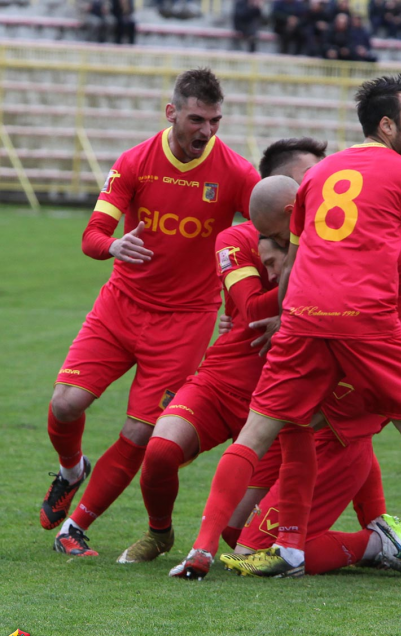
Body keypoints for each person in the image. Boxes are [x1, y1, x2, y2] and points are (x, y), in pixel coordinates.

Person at [170, 74, 401, 590]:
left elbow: (293, 267)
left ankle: (204, 549)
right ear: (387, 125)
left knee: (267, 428)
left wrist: (284, 316)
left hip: (309, 318)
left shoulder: (318, 176)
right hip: (371, 323)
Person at [40, 68, 260, 557]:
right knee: (65, 404)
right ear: (171, 113)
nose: (206, 131)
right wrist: (114, 245)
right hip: (121, 305)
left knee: (140, 432)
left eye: (215, 121)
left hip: (186, 321)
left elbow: (267, 235)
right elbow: (92, 236)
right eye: (197, 119)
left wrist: (239, 302)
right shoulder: (135, 161)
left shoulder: (237, 172)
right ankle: (72, 471)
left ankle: (74, 528)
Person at [116, 138, 327, 563]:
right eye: (308, 177)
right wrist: (299, 300)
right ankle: (159, 532)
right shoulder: (236, 238)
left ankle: (375, 541)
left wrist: (295, 311)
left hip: (281, 396)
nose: (317, 185)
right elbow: (250, 310)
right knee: (160, 450)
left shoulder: (330, 240)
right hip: (224, 380)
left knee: (240, 537)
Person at [220, 207, 401, 577]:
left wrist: (293, 317)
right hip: (383, 351)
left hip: (396, 355)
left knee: (253, 549)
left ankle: (380, 544)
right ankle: (380, 530)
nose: (273, 274)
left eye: (277, 246)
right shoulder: (330, 234)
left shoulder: (346, 238)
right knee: (233, 532)